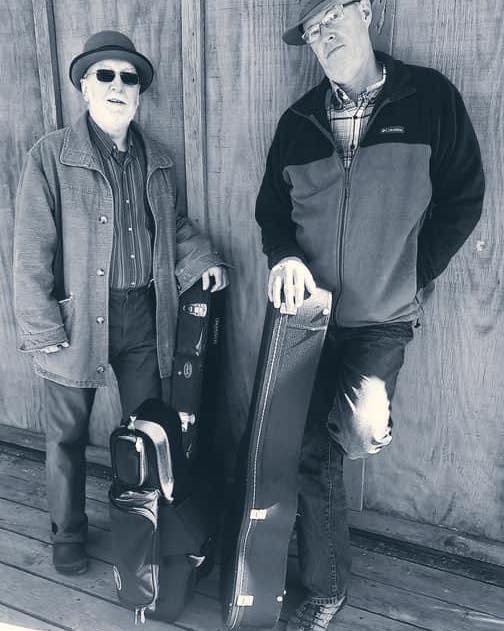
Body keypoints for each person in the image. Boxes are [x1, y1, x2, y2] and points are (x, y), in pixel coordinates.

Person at [255, 1, 484, 629]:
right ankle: (326, 587)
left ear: (366, 14)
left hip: (383, 317)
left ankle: (368, 414)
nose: (325, 37)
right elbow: (272, 211)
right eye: (312, 32)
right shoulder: (298, 121)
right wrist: (283, 259)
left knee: (353, 432)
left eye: (333, 19)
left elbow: (465, 195)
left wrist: (413, 269)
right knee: (308, 452)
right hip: (308, 318)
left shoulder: (428, 98)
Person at [13, 30, 229, 575]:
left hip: (143, 317)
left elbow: (174, 229)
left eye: (128, 77)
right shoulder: (51, 157)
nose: (117, 85)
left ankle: (143, 529)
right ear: (84, 87)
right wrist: (41, 327)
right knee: (65, 437)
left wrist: (204, 260)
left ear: (139, 93)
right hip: (77, 318)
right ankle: (68, 537)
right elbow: (31, 250)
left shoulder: (157, 159)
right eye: (103, 75)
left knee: (147, 432)